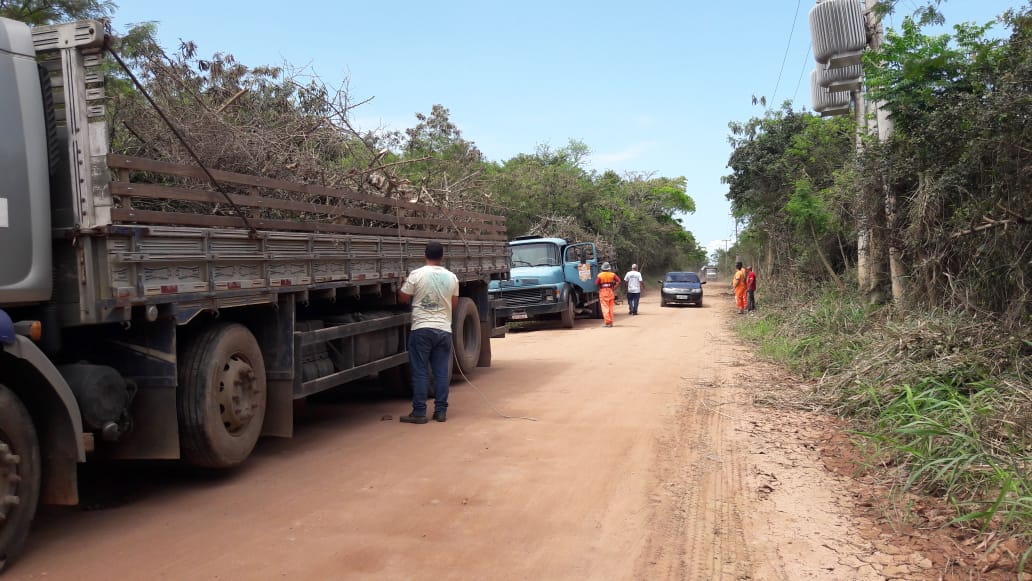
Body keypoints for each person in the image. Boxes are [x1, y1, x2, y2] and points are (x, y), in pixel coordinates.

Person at [397, 241, 459, 424]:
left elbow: (403, 298)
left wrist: (403, 285)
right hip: (443, 330)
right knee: (440, 372)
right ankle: (440, 412)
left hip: (421, 329)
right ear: (442, 257)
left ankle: (419, 412)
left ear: (425, 255)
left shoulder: (416, 275)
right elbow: (454, 304)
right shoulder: (452, 277)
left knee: (420, 372)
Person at [595, 262, 621, 327]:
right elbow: (619, 281)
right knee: (611, 308)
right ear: (609, 268)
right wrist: (614, 288)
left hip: (603, 292)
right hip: (610, 291)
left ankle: (607, 322)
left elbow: (596, 283)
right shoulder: (612, 274)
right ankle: (611, 322)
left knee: (605, 308)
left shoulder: (600, 275)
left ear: (602, 268)